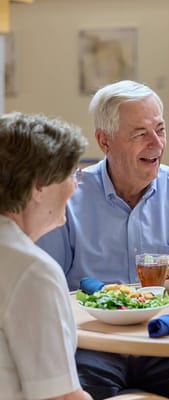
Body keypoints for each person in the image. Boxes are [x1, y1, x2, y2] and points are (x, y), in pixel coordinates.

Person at [37, 80, 169, 400]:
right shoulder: (70, 196)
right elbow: (46, 286)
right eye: (140, 134)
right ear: (104, 141)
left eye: (160, 130)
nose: (156, 143)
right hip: (95, 345)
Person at [0, 112, 91, 400]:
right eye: (71, 174)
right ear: (38, 186)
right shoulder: (32, 271)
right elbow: (61, 397)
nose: (75, 187)